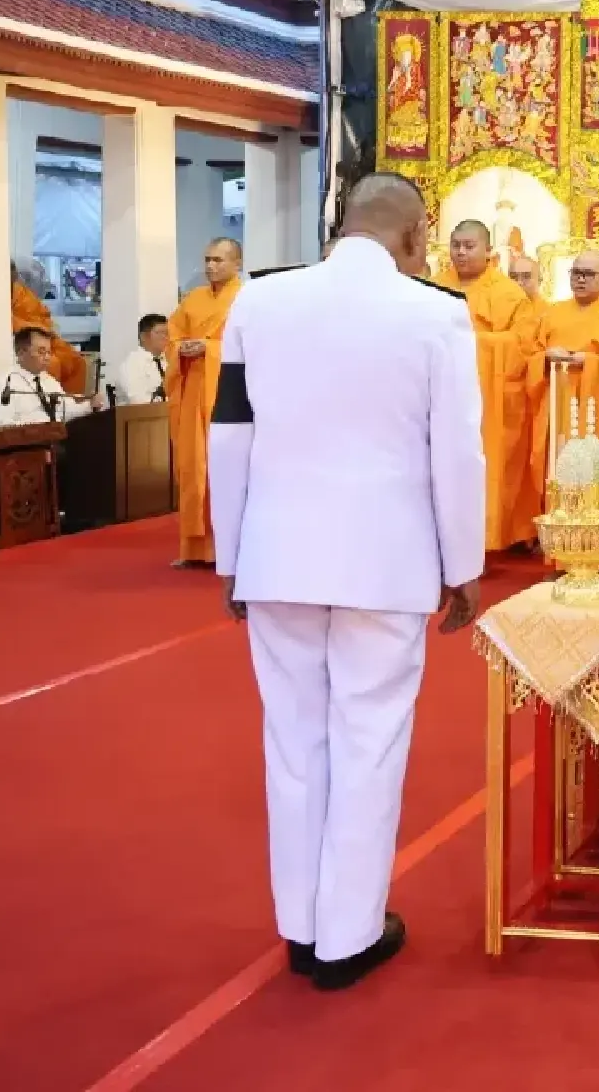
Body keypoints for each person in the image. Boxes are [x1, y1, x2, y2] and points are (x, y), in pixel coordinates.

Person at [208, 173, 485, 991]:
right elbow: (455, 450)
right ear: (411, 236)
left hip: (277, 554)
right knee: (369, 739)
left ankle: (300, 924)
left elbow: (230, 432)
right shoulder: (436, 312)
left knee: (292, 739)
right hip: (386, 559)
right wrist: (462, 565)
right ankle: (349, 933)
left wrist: (231, 555)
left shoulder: (261, 301)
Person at [441, 220, 541, 552]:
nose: (461, 252)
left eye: (469, 246)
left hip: (492, 400)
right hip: (442, 396)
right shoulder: (435, 287)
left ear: (488, 251)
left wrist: (473, 344)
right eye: (456, 245)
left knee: (490, 471)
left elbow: (524, 345)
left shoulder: (509, 294)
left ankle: (488, 540)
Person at [528, 250, 599, 494]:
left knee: (593, 471)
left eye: (588, 274)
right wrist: (545, 358)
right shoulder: (552, 313)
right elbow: (531, 356)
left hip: (598, 408)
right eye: (576, 273)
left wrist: (590, 361)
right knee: (555, 469)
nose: (580, 279)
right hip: (556, 404)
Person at [167, 238, 245, 568]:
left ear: (237, 263)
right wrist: (180, 349)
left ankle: (229, 549)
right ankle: (194, 549)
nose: (211, 266)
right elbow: (173, 336)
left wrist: (210, 348)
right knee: (192, 466)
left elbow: (249, 342)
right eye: (207, 259)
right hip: (193, 389)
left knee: (223, 467)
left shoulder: (246, 299)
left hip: (227, 393)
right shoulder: (193, 299)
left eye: (219, 260)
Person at [10, 261, 89, 395]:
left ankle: (74, 404)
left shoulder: (19, 290)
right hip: (25, 338)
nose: (14, 277)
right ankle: (52, 404)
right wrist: (36, 327)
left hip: (44, 335)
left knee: (77, 361)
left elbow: (42, 312)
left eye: (14, 274)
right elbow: (12, 323)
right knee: (52, 364)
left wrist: (45, 327)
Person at [0, 328, 99, 425]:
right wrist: (40, 423)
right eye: (41, 352)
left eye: (49, 352)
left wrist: (89, 405)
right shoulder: (7, 383)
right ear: (21, 353)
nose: (47, 357)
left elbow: (65, 410)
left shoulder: (48, 380)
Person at [110, 314, 171, 406]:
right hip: (140, 417)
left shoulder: (167, 362)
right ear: (143, 337)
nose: (166, 337)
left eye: (167, 333)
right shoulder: (132, 365)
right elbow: (139, 402)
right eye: (160, 333)